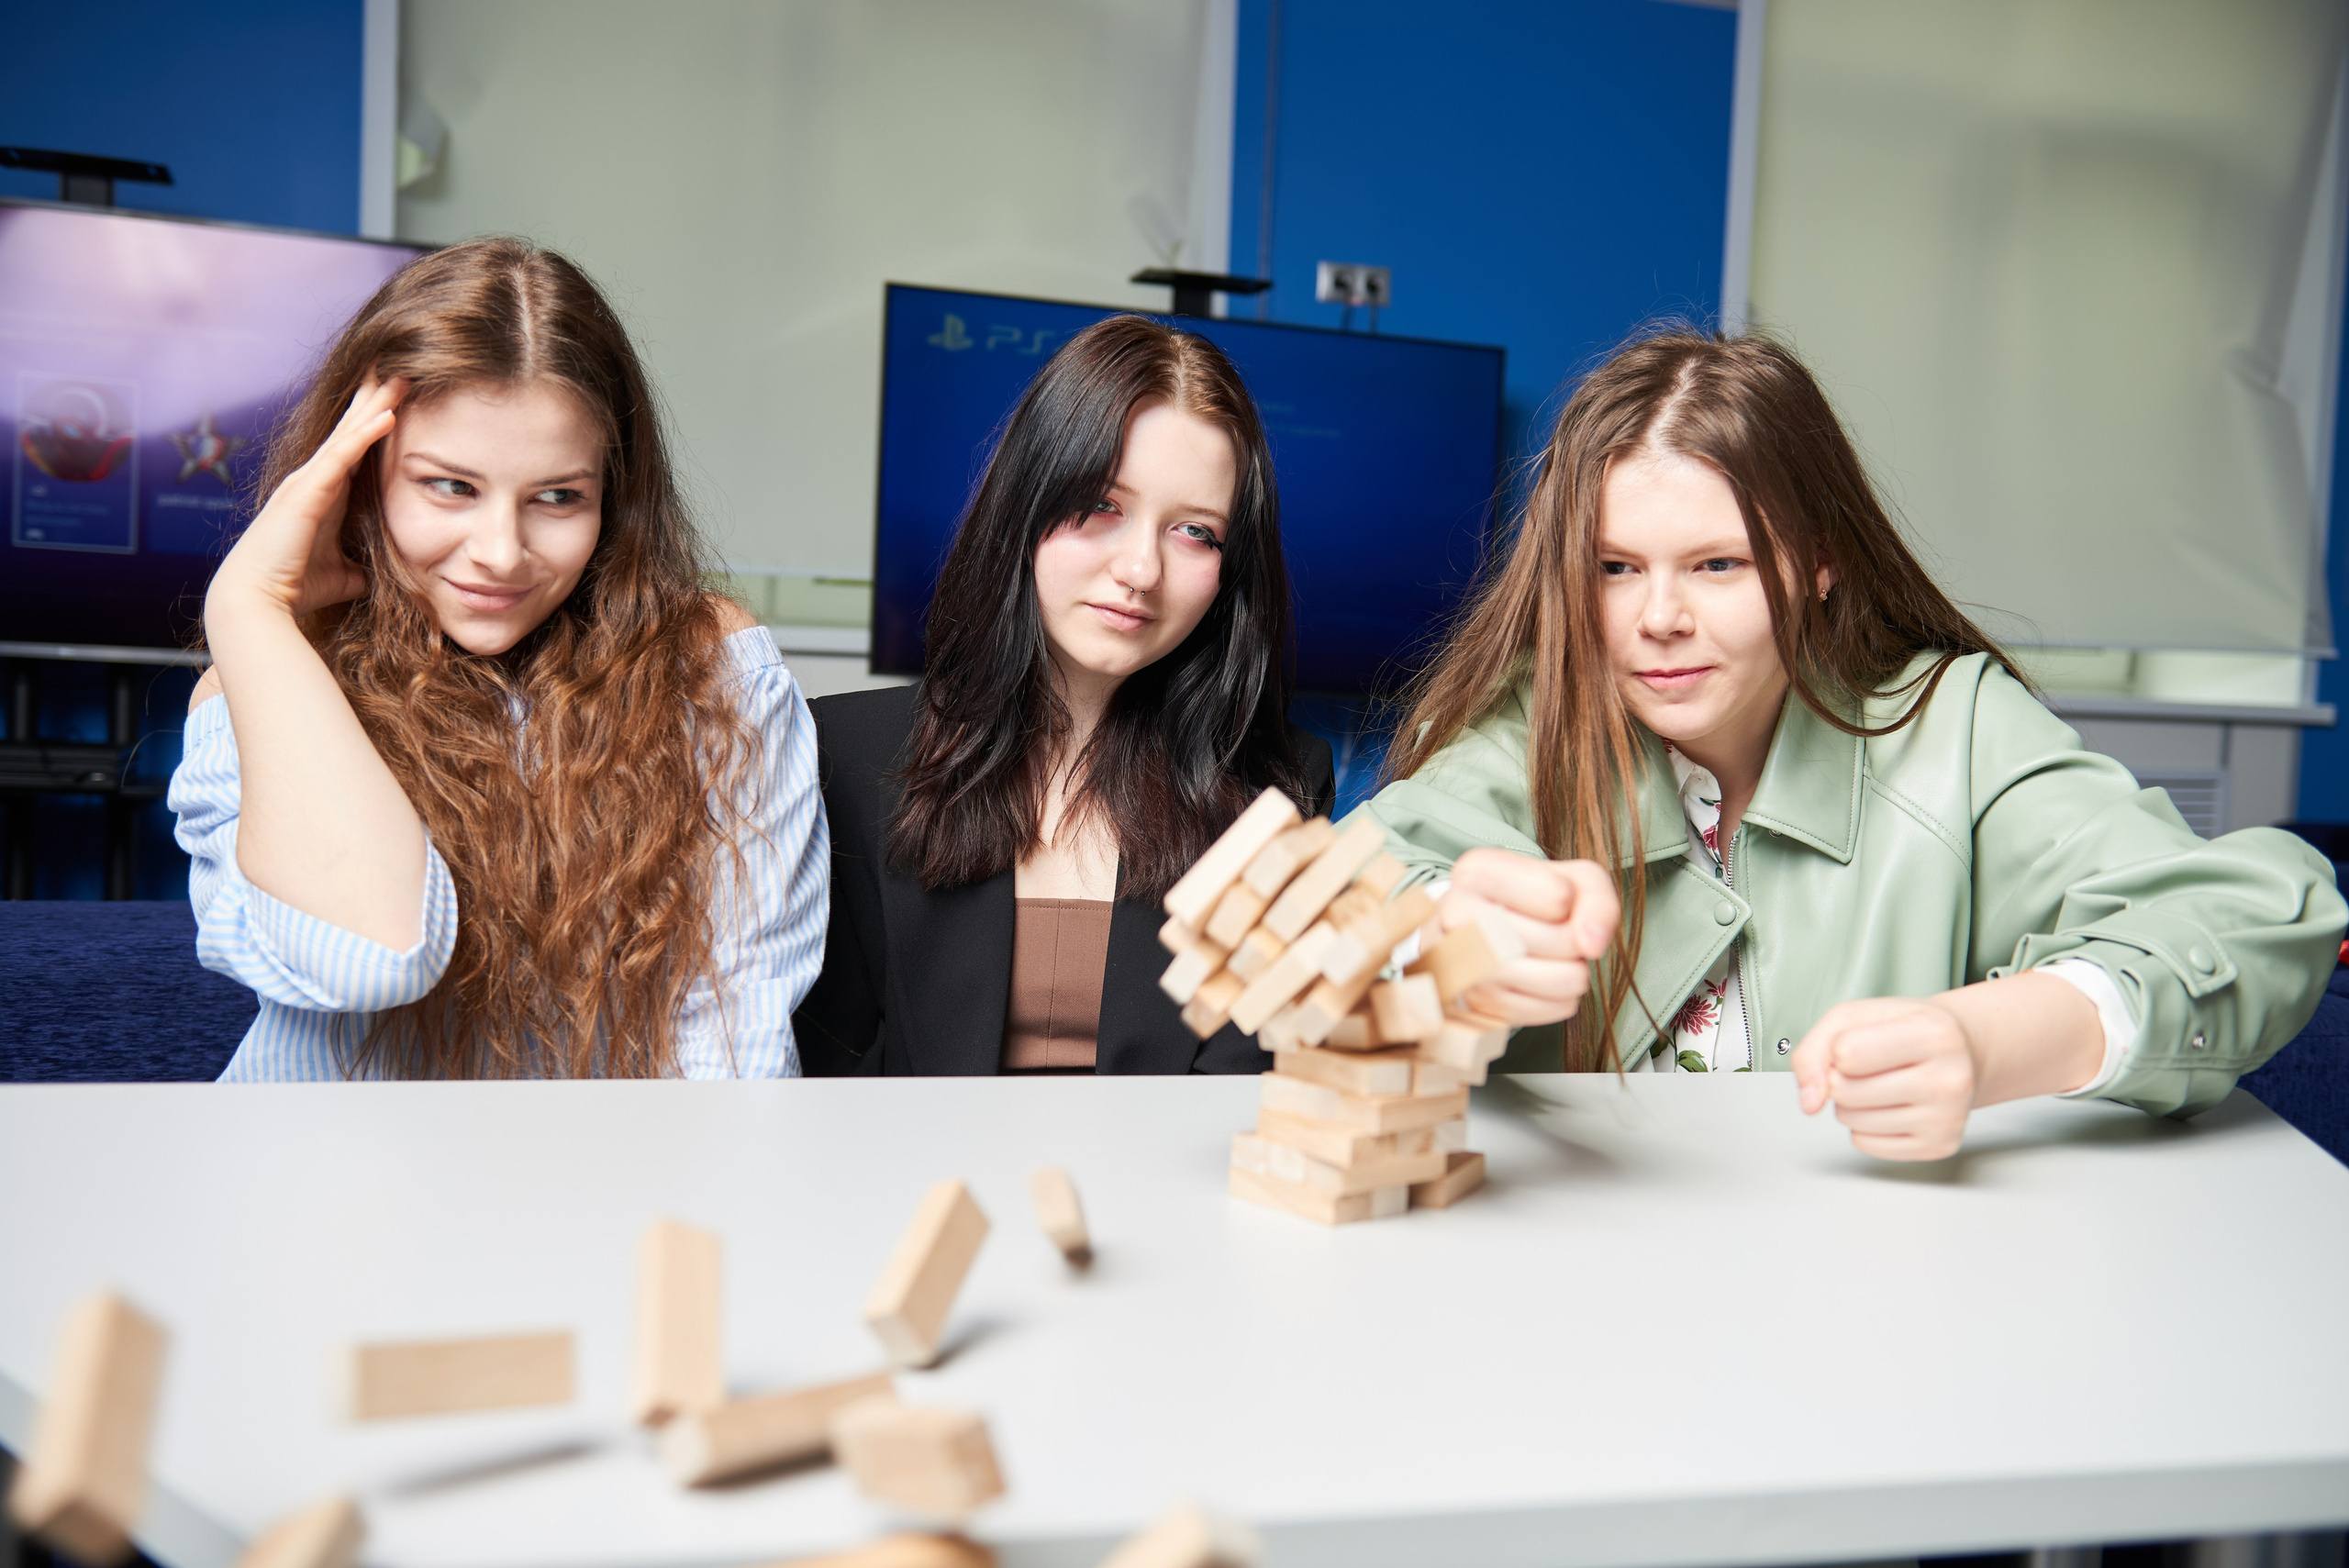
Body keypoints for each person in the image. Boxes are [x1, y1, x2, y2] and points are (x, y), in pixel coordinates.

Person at [1359, 327, 2344, 1159]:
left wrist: (1986, 1040)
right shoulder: (1533, 721)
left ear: (1820, 561)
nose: (1657, 617)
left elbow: (2256, 912)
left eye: (1717, 564)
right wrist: (1437, 933)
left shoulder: (1951, 727)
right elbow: (1359, 882)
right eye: (1614, 567)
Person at [171, 238, 827, 1079]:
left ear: (612, 498)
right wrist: (248, 611)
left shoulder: (708, 668)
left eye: (558, 497)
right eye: (450, 486)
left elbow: (736, 1032)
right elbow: (371, 957)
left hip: (605, 1192)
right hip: (323, 1191)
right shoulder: (264, 678)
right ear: (360, 477)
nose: (501, 553)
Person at [796, 315, 1332, 1075]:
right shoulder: (841, 757)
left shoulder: (1277, 790)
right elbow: (824, 1086)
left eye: (1195, 532)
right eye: (1105, 506)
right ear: (1027, 503)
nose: (1141, 568)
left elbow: (1236, 1099)